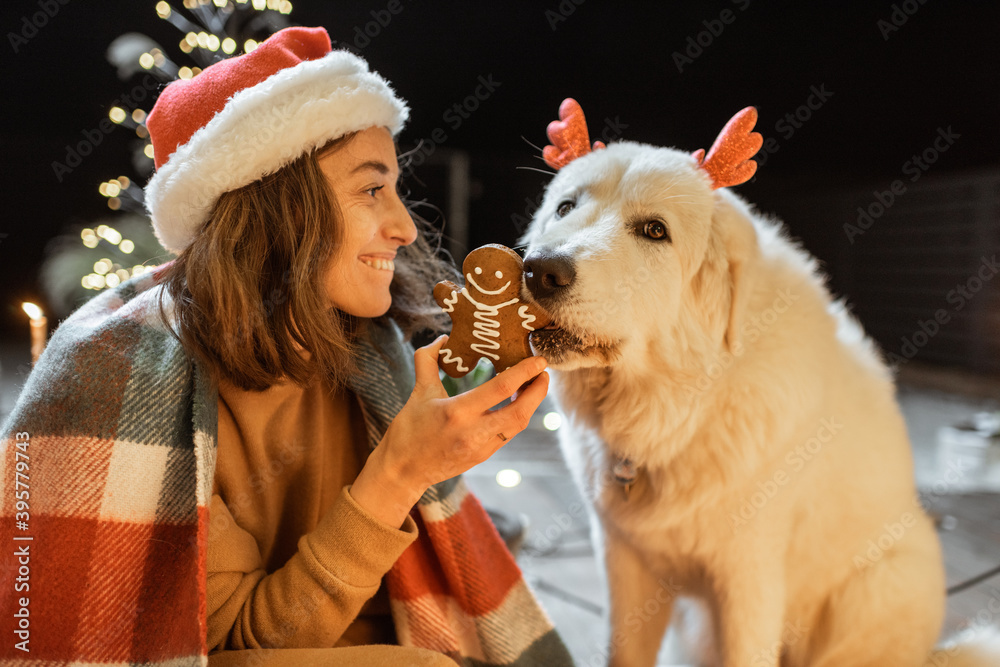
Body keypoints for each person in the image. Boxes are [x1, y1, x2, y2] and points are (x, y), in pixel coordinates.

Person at [0, 26, 574, 667]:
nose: (405, 226)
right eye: (370, 188)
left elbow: (473, 363)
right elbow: (233, 644)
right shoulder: (117, 377)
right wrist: (399, 473)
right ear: (277, 207)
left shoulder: (364, 348)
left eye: (396, 186)